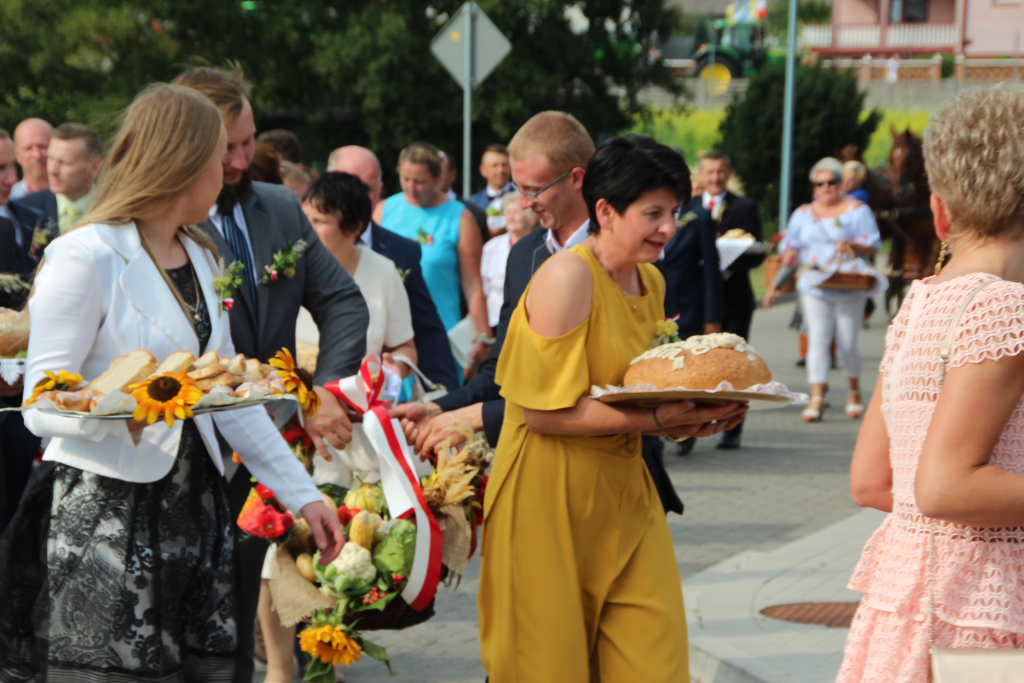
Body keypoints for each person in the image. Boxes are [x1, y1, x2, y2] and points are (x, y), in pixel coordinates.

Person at [0, 82, 344, 683]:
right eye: (218, 157)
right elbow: (39, 404)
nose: (229, 168)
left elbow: (228, 401)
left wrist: (303, 497)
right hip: (106, 516)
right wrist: (127, 407)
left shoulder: (204, 255)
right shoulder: (85, 254)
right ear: (183, 163)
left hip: (197, 511)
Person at [478, 134, 747, 682]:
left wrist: (699, 412)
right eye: (653, 213)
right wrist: (655, 421)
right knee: (550, 669)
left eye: (674, 211)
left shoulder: (650, 278)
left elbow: (640, 388)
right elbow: (539, 414)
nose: (669, 228)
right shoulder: (566, 277)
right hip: (547, 497)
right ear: (605, 210)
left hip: (625, 491)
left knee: (657, 660)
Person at [173, 65, 368, 683]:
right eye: (225, 146)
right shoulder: (161, 223)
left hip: (265, 449)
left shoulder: (280, 207)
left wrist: (324, 392)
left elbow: (341, 302)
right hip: (181, 447)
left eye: (247, 141)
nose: (239, 158)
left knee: (235, 615)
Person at [391, 111, 685, 517]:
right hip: (546, 481)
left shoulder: (644, 255)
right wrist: (442, 407)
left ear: (577, 179)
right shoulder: (524, 255)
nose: (524, 201)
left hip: (625, 474)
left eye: (534, 188)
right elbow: (505, 371)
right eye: (517, 187)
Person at [841, 85, 1024, 683]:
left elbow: (872, 480)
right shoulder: (1005, 308)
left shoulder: (920, 305)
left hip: (909, 603)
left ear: (940, 211)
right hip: (983, 613)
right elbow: (945, 485)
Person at [328, 145, 460, 390]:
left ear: (379, 189)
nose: (357, 196)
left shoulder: (401, 252)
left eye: (367, 188)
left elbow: (426, 329)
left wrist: (445, 394)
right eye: (348, 185)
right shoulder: (299, 253)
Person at [765, 157, 881, 422]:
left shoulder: (857, 209)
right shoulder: (803, 213)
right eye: (820, 183)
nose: (826, 187)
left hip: (848, 283)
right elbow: (791, 245)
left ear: (841, 184)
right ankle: (817, 396)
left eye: (832, 182)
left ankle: (854, 391)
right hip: (816, 283)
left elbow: (873, 244)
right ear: (814, 187)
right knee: (817, 338)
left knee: (847, 341)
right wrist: (790, 257)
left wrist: (852, 244)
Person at [372, 141, 490, 369]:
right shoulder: (384, 210)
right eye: (405, 179)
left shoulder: (460, 217)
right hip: (392, 337)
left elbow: (473, 283)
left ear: (438, 179)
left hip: (442, 334)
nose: (411, 188)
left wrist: (483, 334)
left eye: (420, 181)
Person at [299, 172, 416, 373]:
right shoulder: (287, 267)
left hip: (356, 399)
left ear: (353, 227)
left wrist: (393, 371)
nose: (306, 229)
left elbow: (404, 346)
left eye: (319, 221)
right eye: (304, 218)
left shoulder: (383, 271)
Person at [698, 151, 764, 450]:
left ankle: (732, 427)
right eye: (710, 172)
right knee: (700, 364)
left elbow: (758, 251)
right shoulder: (688, 209)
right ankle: (693, 425)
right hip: (698, 301)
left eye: (720, 172)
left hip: (734, 298)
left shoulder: (745, 207)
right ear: (701, 174)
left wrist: (728, 256)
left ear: (728, 173)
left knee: (733, 366)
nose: (715, 177)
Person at [13, 123, 103, 236]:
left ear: (95, 167)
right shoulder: (23, 211)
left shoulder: (115, 209)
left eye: (64, 162)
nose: (52, 170)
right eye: (50, 159)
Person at [480, 190, 538, 328]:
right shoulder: (491, 247)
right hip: (495, 323)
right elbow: (483, 288)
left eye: (516, 212)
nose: (511, 217)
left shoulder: (540, 245)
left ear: (531, 217)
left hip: (529, 323)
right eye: (508, 212)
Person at [439, 149, 490, 245]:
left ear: (452, 175)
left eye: (440, 171)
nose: (435, 176)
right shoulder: (409, 209)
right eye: (431, 171)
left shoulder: (475, 214)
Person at [467, 143, 513, 235]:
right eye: (495, 165)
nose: (501, 170)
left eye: (504, 165)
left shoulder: (522, 198)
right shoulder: (472, 203)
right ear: (483, 170)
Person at [10, 118, 51, 200]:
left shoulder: (74, 193)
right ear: (16, 154)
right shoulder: (6, 200)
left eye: (42, 146)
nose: (37, 155)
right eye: (28, 148)